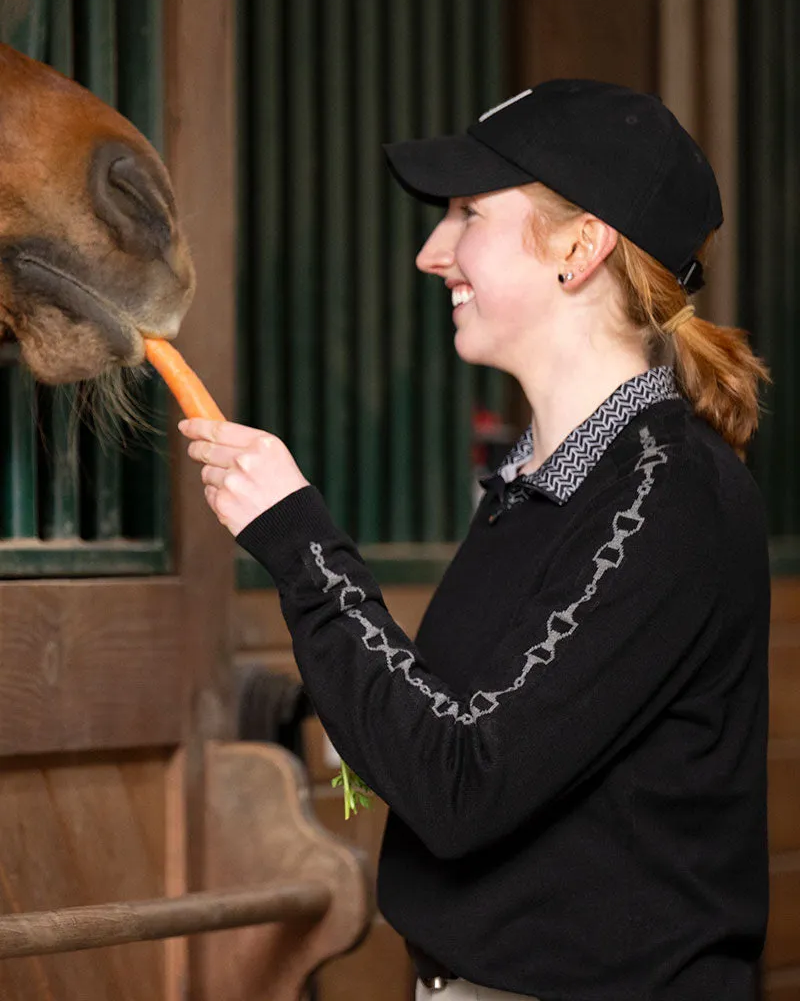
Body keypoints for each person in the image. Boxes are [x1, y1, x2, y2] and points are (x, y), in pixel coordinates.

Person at [180, 80, 771, 1001]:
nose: (429, 253)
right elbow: (447, 743)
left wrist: (299, 541)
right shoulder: (541, 484)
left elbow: (461, 785)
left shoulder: (666, 495)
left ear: (581, 246)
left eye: (465, 213)